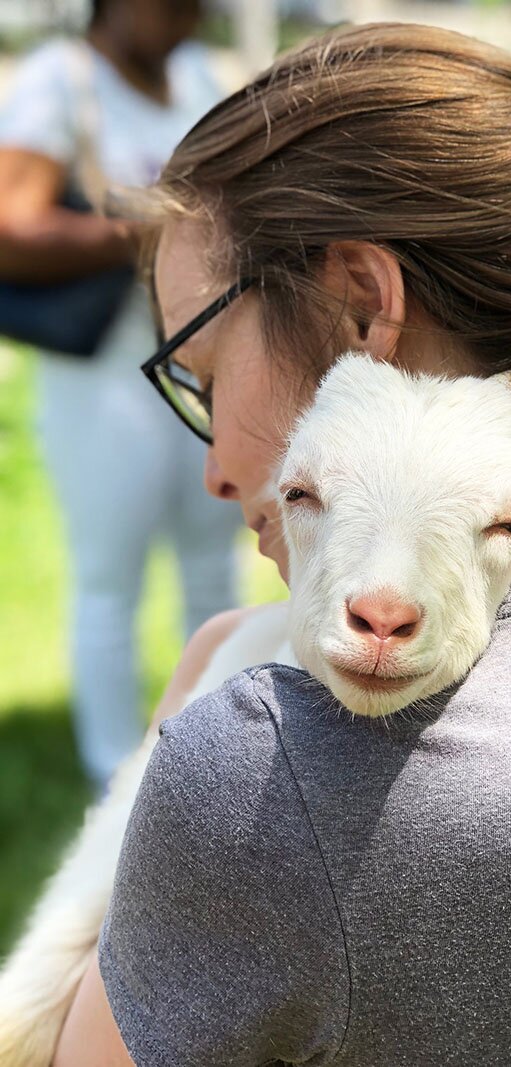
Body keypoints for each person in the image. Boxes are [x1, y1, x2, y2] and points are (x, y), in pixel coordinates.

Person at [54, 23, 511, 1066]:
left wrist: (203, 693)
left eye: (205, 373)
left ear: (363, 302)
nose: (219, 467)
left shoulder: (273, 764)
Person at [0, 0, 241, 787]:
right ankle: (114, 779)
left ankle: (209, 750)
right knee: (110, 577)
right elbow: (9, 225)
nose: (185, 15)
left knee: (215, 563)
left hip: (200, 361)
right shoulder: (58, 81)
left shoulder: (201, 76)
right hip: (101, 369)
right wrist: (145, 229)